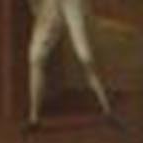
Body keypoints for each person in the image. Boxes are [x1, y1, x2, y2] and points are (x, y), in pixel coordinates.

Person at [24, 0, 116, 128]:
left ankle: (108, 110)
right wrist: (37, 8)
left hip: (71, 3)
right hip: (49, 6)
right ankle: (33, 118)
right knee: (35, 58)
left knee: (86, 58)